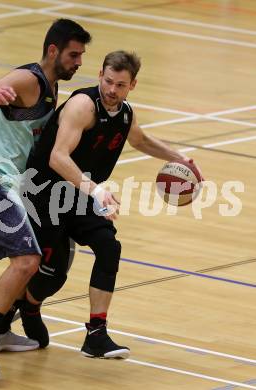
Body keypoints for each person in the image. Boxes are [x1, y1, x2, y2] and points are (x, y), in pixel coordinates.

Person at [23, 50, 202, 359]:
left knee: (109, 246)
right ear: (99, 75)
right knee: (52, 274)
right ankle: (25, 308)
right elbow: (57, 157)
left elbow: (141, 141)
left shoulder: (125, 113)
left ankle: (96, 334)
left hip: (77, 194)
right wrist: (96, 191)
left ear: (132, 85)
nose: (111, 90)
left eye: (120, 85)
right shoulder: (82, 106)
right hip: (44, 193)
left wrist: (179, 159)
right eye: (108, 82)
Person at [0, 19, 92, 380]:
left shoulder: (50, 90)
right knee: (27, 260)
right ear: (53, 50)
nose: (78, 62)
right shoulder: (29, 79)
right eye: (73, 54)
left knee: (41, 255)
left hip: (12, 184)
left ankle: (0, 331)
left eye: (81, 55)